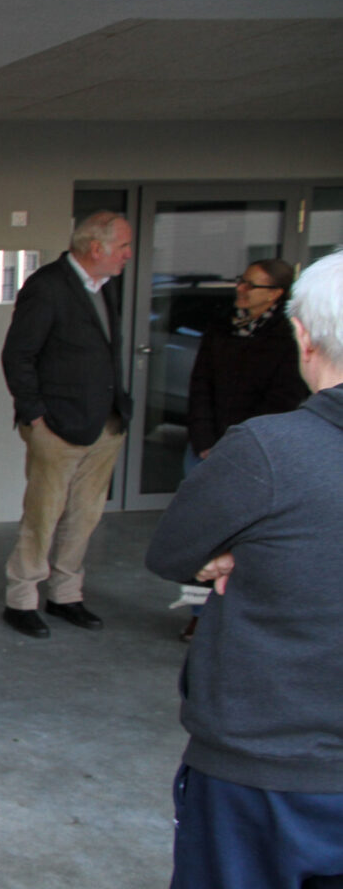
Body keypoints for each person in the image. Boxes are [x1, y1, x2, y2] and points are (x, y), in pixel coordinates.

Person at [145, 249, 343, 889]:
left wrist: (233, 552)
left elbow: (172, 552)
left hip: (260, 771)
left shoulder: (269, 450)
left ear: (303, 336)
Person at [0, 210, 134, 638]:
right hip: (56, 426)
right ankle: (22, 599)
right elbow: (18, 355)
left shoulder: (105, 287)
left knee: (85, 514)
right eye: (123, 246)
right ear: (96, 248)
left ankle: (65, 594)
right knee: (44, 514)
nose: (128, 255)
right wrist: (35, 415)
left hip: (105, 422)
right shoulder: (48, 287)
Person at [176, 257, 308, 641]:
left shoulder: (287, 337)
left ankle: (237, 615)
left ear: (276, 294)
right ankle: (198, 612)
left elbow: (282, 399)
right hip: (206, 446)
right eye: (242, 281)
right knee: (201, 534)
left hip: (254, 451)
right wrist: (204, 441)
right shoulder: (221, 327)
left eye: (252, 285)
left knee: (246, 538)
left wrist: (238, 445)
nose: (241, 289)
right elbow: (200, 385)